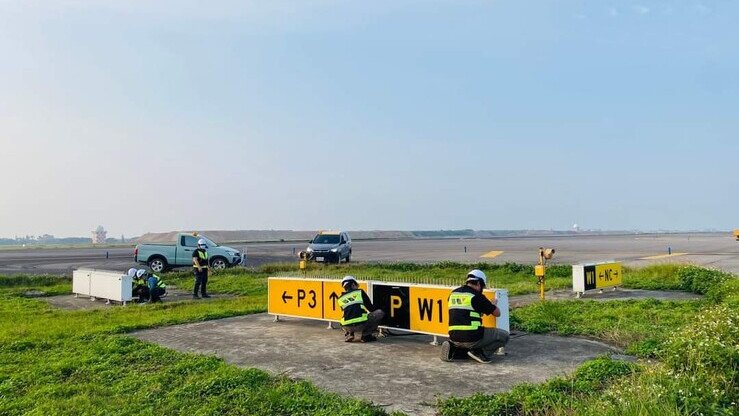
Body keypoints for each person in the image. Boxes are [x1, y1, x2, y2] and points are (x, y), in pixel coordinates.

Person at [441, 269, 509, 363]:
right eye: (482, 286)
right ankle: (480, 353)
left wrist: (482, 310)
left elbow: (468, 312)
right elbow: (497, 313)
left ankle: (454, 350)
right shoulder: (477, 296)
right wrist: (493, 304)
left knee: (463, 341)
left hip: (454, 336)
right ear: (478, 283)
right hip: (472, 337)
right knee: (504, 336)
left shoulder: (453, 294)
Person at [338, 276, 385, 342]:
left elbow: (348, 312)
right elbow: (371, 308)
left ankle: (350, 334)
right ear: (353, 284)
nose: (357, 287)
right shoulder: (359, 292)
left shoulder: (340, 298)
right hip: (361, 324)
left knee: (349, 316)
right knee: (379, 313)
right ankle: (366, 336)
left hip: (346, 326)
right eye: (357, 285)